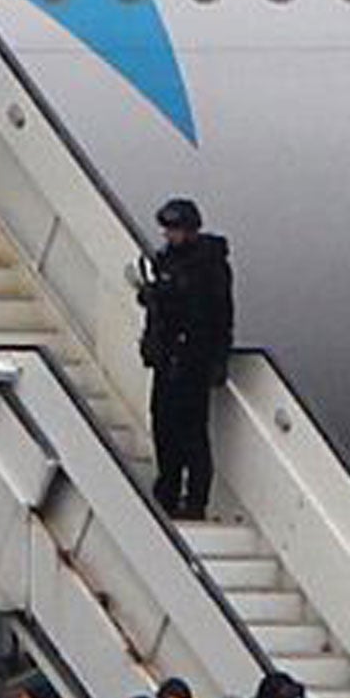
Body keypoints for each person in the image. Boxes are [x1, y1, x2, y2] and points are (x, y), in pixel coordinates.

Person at [136, 197, 234, 520]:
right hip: (168, 360)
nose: (169, 236)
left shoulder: (209, 264)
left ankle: (195, 501)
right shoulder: (166, 261)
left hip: (194, 360)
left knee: (192, 432)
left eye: (174, 229)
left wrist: (218, 359)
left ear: (190, 230)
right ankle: (167, 491)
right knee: (163, 426)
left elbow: (219, 313)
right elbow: (162, 311)